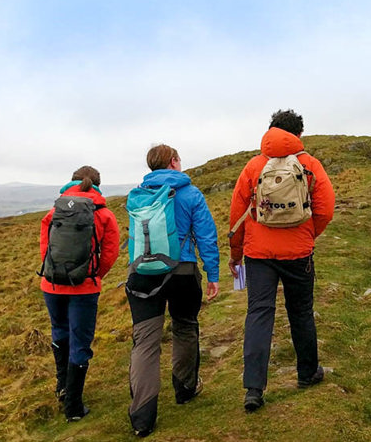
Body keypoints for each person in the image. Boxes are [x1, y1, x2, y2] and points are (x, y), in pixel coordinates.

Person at [228, 109, 335, 412]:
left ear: (271, 130)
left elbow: (237, 214)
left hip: (258, 255)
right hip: (299, 253)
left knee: (259, 314)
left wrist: (236, 255)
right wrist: (307, 234)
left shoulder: (253, 166)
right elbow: (326, 208)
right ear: (298, 134)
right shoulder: (310, 164)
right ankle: (307, 373)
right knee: (301, 311)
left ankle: (253, 389)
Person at [127, 144, 220, 438]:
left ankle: (142, 417)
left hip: (142, 273)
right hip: (182, 271)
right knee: (184, 327)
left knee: (145, 342)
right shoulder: (191, 194)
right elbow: (206, 235)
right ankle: (185, 389)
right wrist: (213, 275)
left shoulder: (138, 195)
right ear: (173, 161)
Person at [39, 165, 121, 422]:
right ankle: (73, 406)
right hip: (84, 287)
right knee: (80, 341)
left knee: (59, 331)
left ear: (71, 182)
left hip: (52, 285)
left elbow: (46, 249)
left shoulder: (54, 211)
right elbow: (110, 253)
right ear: (97, 184)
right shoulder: (104, 213)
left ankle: (62, 388)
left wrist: (56, 275)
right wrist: (94, 276)